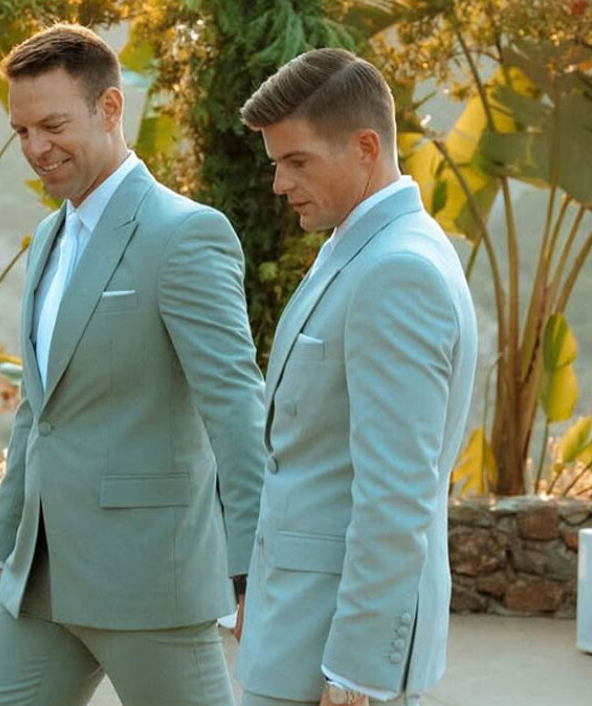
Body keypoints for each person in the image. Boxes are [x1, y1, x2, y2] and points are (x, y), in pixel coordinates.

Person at [0, 23, 267, 706]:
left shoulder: (185, 235)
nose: (36, 148)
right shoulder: (48, 237)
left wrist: (255, 570)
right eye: (22, 131)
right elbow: (37, 415)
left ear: (110, 108)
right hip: (39, 581)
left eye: (53, 126)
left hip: (147, 579)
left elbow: (236, 409)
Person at [234, 48, 478, 706]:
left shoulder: (399, 271)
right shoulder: (359, 247)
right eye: (276, 163)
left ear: (365, 147)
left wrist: (356, 674)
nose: (279, 183)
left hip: (333, 656)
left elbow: (395, 495)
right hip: (294, 630)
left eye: (297, 161)